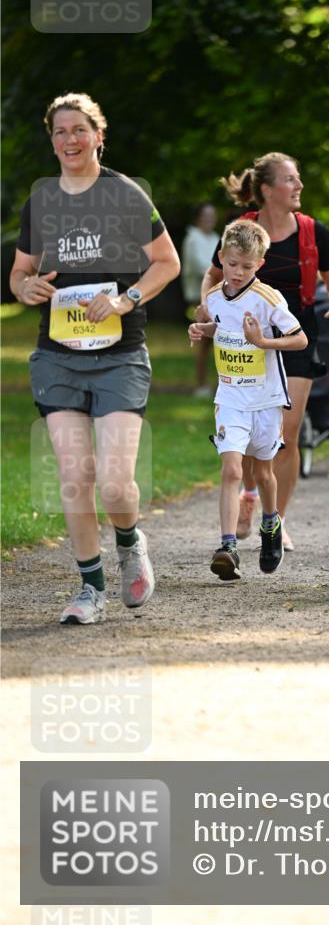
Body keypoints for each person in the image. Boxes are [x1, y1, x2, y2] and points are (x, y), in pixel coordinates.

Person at [10, 92, 180, 625]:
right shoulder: (41, 202)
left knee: (113, 483)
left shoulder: (125, 194)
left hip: (119, 356)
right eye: (59, 132)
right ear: (52, 140)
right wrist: (27, 287)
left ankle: (130, 541)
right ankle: (90, 588)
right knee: (73, 475)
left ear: (98, 135)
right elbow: (18, 275)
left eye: (79, 130)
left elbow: (167, 263)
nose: (69, 140)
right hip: (57, 355)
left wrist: (127, 298)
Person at [199, 152, 329, 551]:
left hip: (294, 335)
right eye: (290, 180)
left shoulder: (313, 230)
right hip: (243, 341)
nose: (299, 186)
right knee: (247, 431)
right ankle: (250, 492)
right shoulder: (240, 232)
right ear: (266, 190)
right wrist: (207, 307)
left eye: (298, 179)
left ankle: (276, 521)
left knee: (287, 431)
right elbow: (213, 275)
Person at [189, 220, 307, 580]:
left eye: (247, 266)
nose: (238, 272)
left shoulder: (269, 299)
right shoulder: (211, 298)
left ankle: (270, 524)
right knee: (231, 469)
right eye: (233, 264)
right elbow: (223, 326)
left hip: (266, 399)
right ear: (221, 257)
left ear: (260, 264)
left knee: (263, 472)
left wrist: (264, 343)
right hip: (230, 398)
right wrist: (202, 329)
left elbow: (299, 340)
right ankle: (227, 547)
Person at [181, 202, 219, 397]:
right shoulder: (192, 239)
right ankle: (201, 385)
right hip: (199, 297)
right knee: (204, 342)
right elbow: (200, 267)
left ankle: (219, 385)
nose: (209, 220)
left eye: (212, 216)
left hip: (218, 296)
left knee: (220, 341)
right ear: (198, 218)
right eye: (206, 216)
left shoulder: (216, 238)